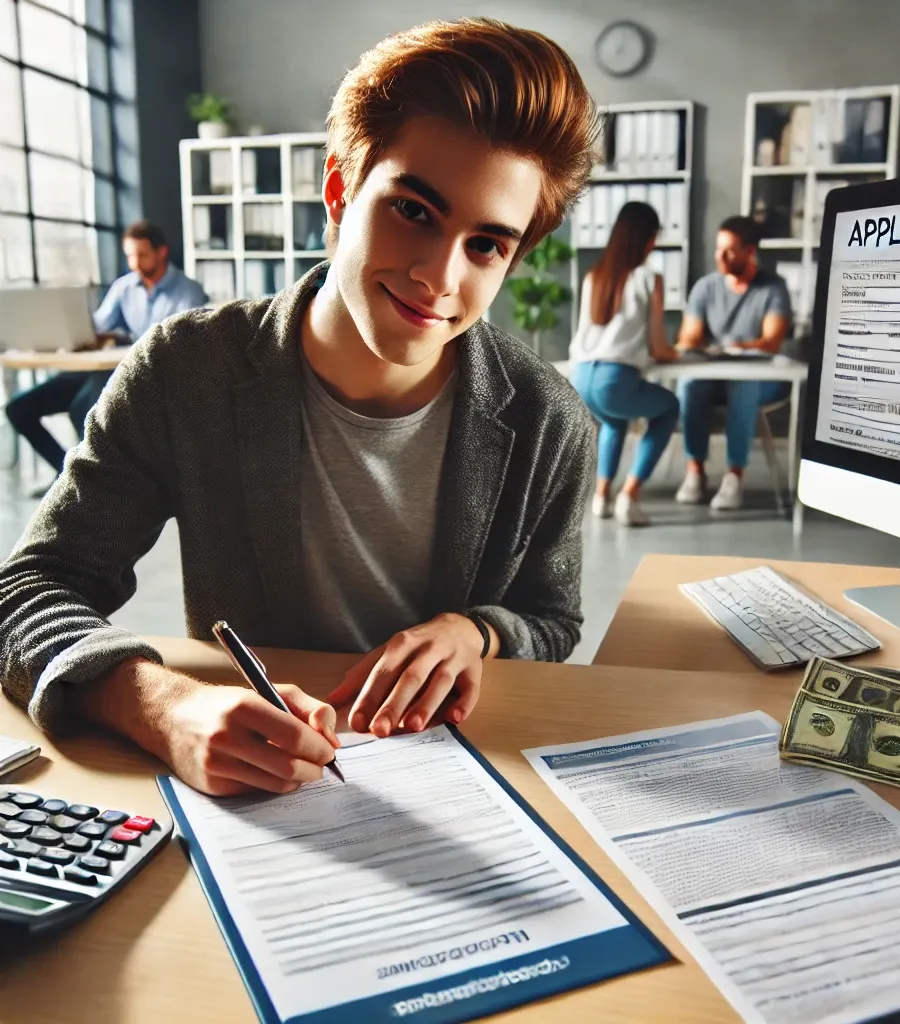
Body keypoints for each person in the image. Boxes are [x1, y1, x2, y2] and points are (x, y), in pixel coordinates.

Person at [0, 18, 599, 798]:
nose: (438, 276)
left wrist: (478, 630)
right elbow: (28, 590)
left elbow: (551, 619)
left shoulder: (549, 420)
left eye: (486, 244)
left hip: (457, 786)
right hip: (256, 792)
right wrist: (163, 705)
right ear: (340, 191)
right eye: (414, 210)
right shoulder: (188, 372)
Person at [5, 221, 207, 483]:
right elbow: (98, 326)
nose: (134, 262)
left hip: (145, 373)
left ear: (162, 253)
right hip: (104, 366)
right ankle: (68, 477)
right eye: (129, 255)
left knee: (82, 409)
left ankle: (101, 483)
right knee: (18, 409)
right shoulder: (125, 287)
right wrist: (77, 331)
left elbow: (181, 342)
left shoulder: (187, 291)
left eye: (142, 255)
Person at [569, 202, 679, 527]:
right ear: (647, 239)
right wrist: (678, 352)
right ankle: (629, 496)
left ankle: (601, 497)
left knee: (614, 423)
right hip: (613, 380)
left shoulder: (595, 276)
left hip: (582, 378)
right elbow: (659, 347)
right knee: (669, 408)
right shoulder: (649, 278)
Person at [675, 215, 792, 511]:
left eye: (729, 251)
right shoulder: (705, 287)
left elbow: (771, 341)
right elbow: (688, 337)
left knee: (744, 386)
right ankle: (695, 472)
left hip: (761, 379)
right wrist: (701, 347)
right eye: (718, 249)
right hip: (714, 376)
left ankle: (734, 477)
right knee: (690, 385)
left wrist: (734, 347)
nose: (720, 257)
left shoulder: (772, 288)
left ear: (750, 251)